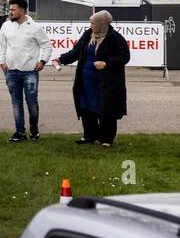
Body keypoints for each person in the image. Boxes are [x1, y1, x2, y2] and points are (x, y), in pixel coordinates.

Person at [55, 10, 130, 147]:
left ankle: (106, 139)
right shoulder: (87, 35)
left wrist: (106, 63)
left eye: (94, 23)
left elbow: (124, 57)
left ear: (102, 24)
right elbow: (76, 52)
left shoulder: (115, 38)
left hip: (106, 82)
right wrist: (61, 59)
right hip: (86, 80)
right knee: (86, 107)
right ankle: (89, 135)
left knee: (106, 110)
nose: (91, 26)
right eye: (90, 23)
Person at [0, 0, 53, 142]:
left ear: (22, 11)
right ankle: (20, 133)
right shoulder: (6, 26)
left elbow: (46, 45)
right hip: (11, 71)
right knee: (16, 103)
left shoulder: (34, 27)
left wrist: (42, 61)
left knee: (32, 103)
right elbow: (1, 46)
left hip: (30, 72)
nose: (10, 12)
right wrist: (2, 62)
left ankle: (34, 131)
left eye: (13, 10)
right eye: (10, 10)